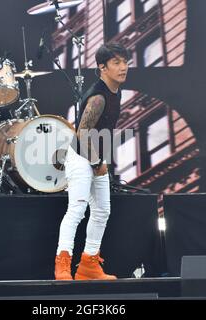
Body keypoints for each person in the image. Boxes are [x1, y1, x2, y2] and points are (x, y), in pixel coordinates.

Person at [55, 43, 130, 281]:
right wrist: (97, 161)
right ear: (102, 67)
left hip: (96, 157)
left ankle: (88, 265)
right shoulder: (98, 97)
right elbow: (82, 132)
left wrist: (99, 159)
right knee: (76, 210)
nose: (123, 67)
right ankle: (62, 265)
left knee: (102, 212)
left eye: (125, 62)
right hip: (80, 157)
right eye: (116, 63)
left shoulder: (117, 91)